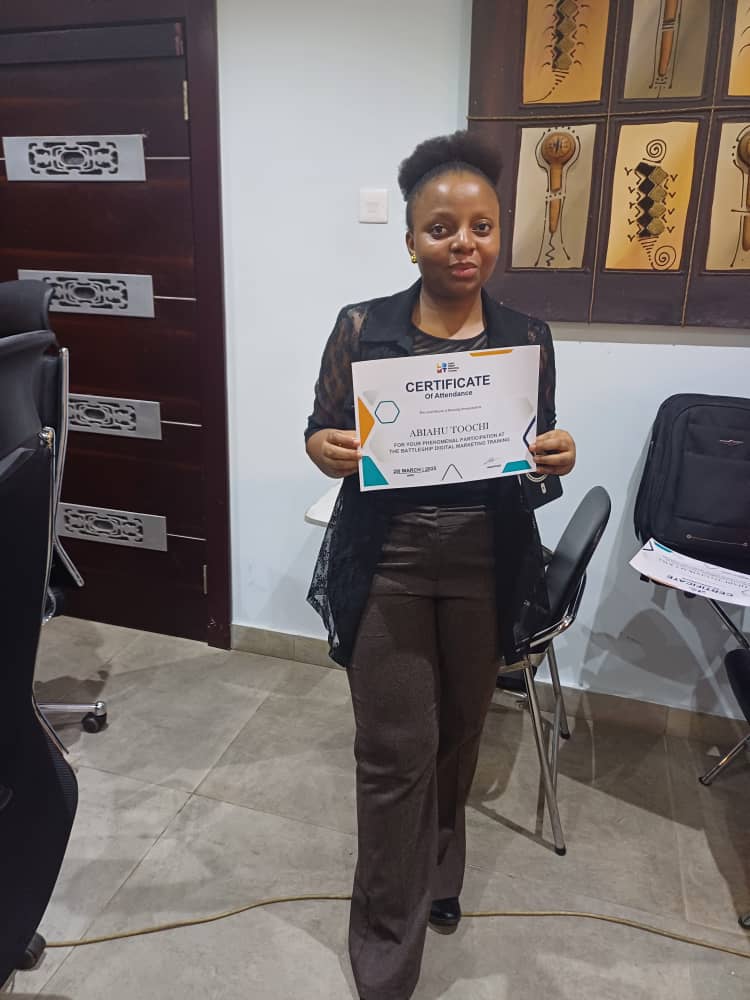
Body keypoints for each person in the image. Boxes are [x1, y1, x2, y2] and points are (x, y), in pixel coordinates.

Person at [305, 131, 576, 1000]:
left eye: (481, 227)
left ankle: (441, 874)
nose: (464, 243)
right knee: (394, 754)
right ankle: (386, 955)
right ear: (411, 240)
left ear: (498, 234)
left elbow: (534, 453)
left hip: (484, 561)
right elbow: (319, 429)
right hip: (387, 558)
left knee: (458, 736)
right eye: (442, 228)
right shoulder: (363, 329)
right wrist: (326, 448)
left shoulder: (526, 336)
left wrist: (557, 455)